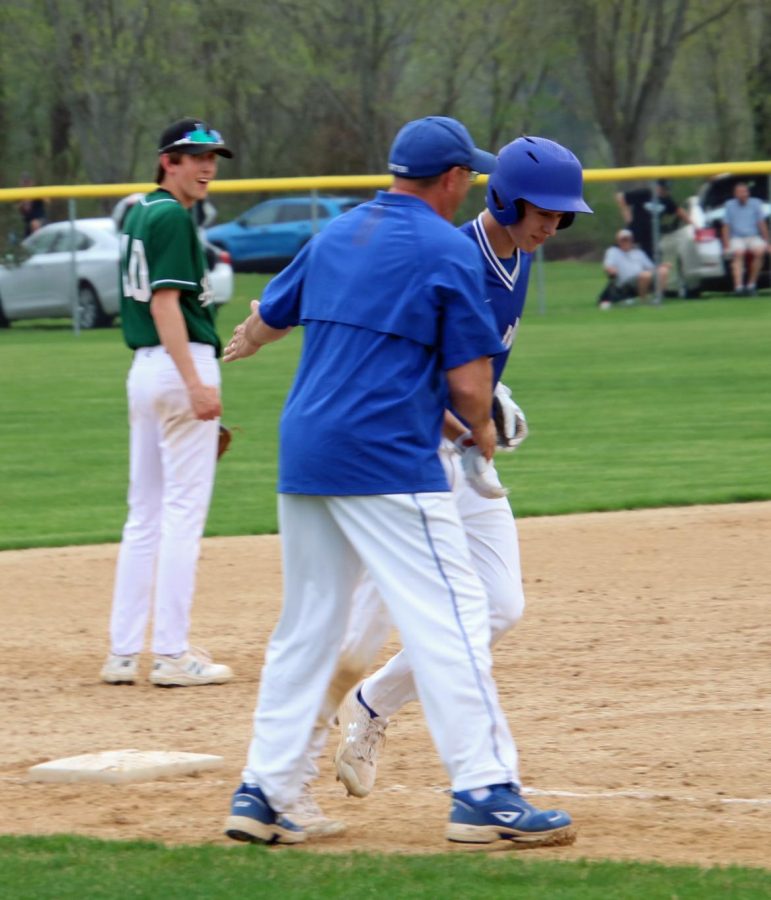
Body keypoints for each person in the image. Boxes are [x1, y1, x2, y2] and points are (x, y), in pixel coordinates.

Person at [221, 116, 574, 848]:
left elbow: (270, 315)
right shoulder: (448, 248)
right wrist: (482, 430)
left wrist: (246, 342)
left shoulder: (341, 230)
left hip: (306, 452)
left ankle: (264, 794)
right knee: (449, 623)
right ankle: (484, 791)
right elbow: (470, 383)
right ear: (451, 181)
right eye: (467, 175)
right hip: (389, 454)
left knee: (307, 628)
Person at [100, 118, 235, 688]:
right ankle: (173, 654)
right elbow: (165, 306)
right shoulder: (174, 217)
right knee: (182, 514)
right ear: (167, 162)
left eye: (211, 158)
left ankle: (124, 652)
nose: (205, 167)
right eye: (192, 157)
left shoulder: (138, 212)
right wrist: (197, 385)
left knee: (145, 515)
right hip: (180, 364)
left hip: (144, 373)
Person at [615, 179, 690, 261]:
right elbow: (620, 197)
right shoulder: (645, 194)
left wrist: (692, 224)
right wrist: (628, 218)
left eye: (666, 189)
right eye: (663, 189)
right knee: (622, 253)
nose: (665, 191)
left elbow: (679, 211)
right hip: (636, 230)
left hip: (651, 235)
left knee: (653, 260)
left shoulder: (666, 200)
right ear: (657, 187)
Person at [721, 181, 770, 296]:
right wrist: (726, 245)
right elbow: (726, 227)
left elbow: (761, 224)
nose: (744, 194)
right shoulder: (729, 205)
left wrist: (768, 243)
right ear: (735, 194)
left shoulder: (756, 203)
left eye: (745, 191)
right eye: (741, 192)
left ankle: (751, 285)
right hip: (736, 238)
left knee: (760, 251)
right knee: (738, 252)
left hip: (753, 236)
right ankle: (738, 287)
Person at [600, 228, 668, 308]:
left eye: (628, 240)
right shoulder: (613, 252)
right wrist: (611, 270)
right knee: (645, 275)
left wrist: (661, 267)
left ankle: (658, 298)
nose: (626, 242)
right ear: (618, 242)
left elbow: (651, 267)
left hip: (642, 277)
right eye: (623, 240)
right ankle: (643, 300)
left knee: (663, 271)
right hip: (626, 282)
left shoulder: (638, 252)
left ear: (631, 240)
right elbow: (607, 266)